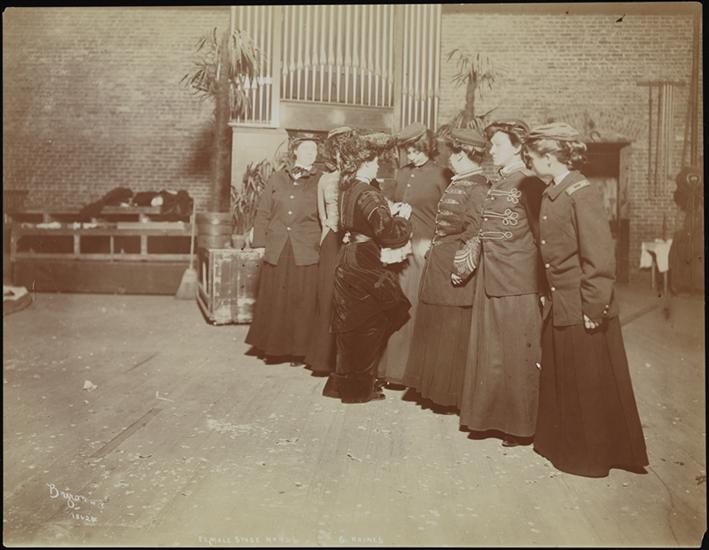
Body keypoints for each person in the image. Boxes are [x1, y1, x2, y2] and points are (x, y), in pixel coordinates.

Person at [523, 122, 649, 477]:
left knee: (587, 384)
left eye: (532, 157)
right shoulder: (555, 191)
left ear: (550, 157)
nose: (530, 164)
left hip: (581, 304)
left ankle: (589, 457)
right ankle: (563, 447)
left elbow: (599, 257)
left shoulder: (581, 193)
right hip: (561, 301)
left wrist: (594, 307)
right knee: (566, 378)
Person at [458, 119, 545, 447]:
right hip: (490, 275)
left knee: (516, 355)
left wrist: (542, 286)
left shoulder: (530, 184)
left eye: (498, 145)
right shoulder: (501, 181)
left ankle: (520, 426)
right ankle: (487, 419)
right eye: (491, 145)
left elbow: (541, 236)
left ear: (518, 147)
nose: (491, 151)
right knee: (491, 352)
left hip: (517, 280)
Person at [402, 128, 489, 409]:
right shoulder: (462, 181)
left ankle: (445, 395)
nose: (449, 158)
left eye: (452, 153)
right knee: (436, 327)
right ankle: (430, 389)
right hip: (439, 264)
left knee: (449, 333)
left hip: (452, 270)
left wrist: (460, 268)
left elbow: (475, 233)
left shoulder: (476, 186)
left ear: (462, 154)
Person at [323, 132, 413, 403]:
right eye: (374, 162)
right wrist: (403, 218)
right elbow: (389, 234)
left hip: (348, 257)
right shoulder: (369, 193)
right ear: (364, 164)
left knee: (349, 325)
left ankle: (339, 384)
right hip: (365, 260)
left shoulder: (347, 187)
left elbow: (353, 223)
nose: (377, 167)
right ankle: (358, 390)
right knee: (372, 323)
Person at [377, 123, 448, 386]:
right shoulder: (403, 172)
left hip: (423, 251)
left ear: (427, 147)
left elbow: (448, 217)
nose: (411, 155)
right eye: (408, 150)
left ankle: (405, 372)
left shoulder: (442, 175)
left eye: (416, 150)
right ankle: (388, 369)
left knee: (413, 309)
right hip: (398, 251)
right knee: (395, 306)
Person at [245, 132, 322, 365]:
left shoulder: (321, 180)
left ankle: (299, 351)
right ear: (295, 151)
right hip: (277, 246)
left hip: (306, 247)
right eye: (307, 149)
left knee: (302, 300)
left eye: (314, 150)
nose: (311, 153)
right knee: (276, 299)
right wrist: (260, 243)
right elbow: (263, 212)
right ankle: (274, 348)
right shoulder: (277, 178)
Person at [305, 126, 353, 376]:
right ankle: (323, 359)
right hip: (332, 241)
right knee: (327, 297)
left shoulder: (358, 178)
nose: (340, 155)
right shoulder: (325, 179)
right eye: (338, 150)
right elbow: (322, 217)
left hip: (352, 240)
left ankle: (345, 360)